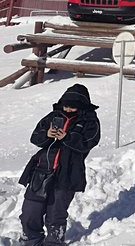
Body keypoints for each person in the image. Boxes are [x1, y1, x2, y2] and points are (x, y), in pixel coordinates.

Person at [18, 83, 100, 246]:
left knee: (56, 214)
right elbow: (35, 137)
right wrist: (47, 135)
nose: (68, 109)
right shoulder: (53, 116)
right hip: (41, 170)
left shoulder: (89, 121)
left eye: (73, 107)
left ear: (82, 106)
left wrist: (66, 137)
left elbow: (89, 142)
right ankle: (31, 239)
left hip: (67, 174)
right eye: (66, 106)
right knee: (30, 211)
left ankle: (53, 242)